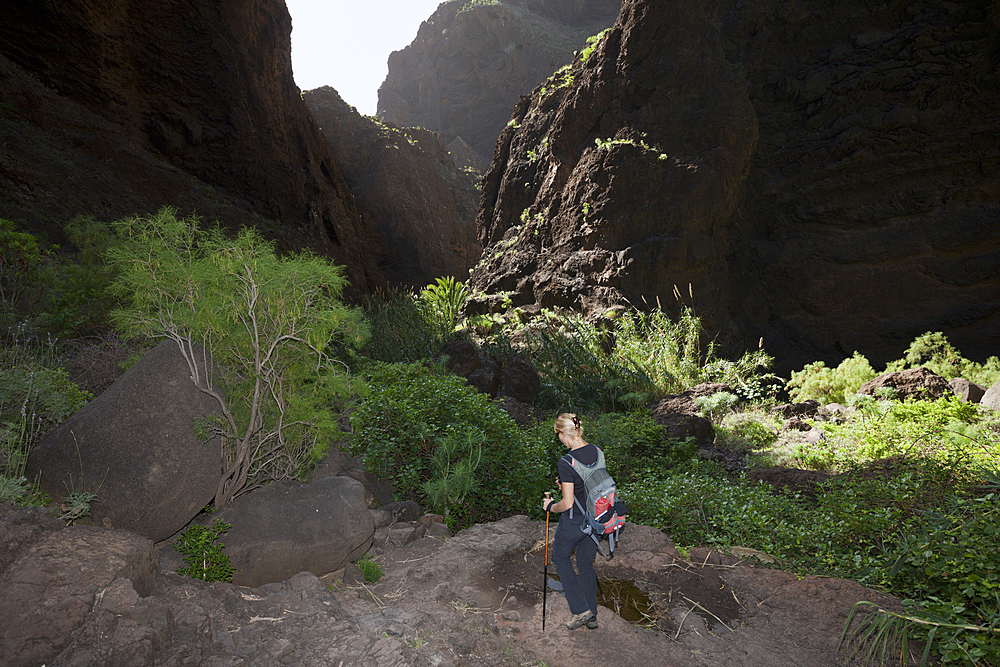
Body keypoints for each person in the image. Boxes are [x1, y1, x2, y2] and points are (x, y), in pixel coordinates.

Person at [541, 412, 600, 630]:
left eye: (559, 436)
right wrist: (569, 486)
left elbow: (565, 504)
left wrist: (550, 507)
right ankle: (592, 615)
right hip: (595, 520)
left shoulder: (567, 461)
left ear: (564, 433)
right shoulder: (597, 451)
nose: (561, 441)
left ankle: (580, 610)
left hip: (575, 521)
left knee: (560, 556)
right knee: (585, 563)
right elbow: (590, 485)